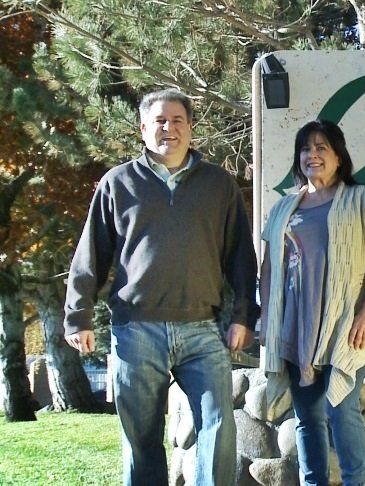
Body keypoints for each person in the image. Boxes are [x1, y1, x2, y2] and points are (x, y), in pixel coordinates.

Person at [63, 88, 260, 486]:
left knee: (219, 427)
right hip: (137, 330)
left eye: (177, 121)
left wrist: (243, 315)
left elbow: (240, 256)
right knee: (141, 439)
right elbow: (92, 254)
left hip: (202, 329)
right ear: (143, 129)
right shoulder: (117, 183)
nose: (168, 128)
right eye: (159, 121)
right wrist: (78, 316)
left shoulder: (218, 185)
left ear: (190, 129)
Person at [259, 119, 365, 485]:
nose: (312, 155)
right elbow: (269, 268)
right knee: (307, 417)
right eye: (305, 149)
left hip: (346, 324)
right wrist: (267, 320)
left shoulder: (363, 199)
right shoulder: (283, 208)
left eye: (321, 148)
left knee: (343, 411)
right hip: (295, 326)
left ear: (338, 157)